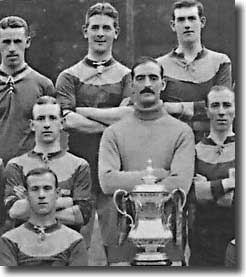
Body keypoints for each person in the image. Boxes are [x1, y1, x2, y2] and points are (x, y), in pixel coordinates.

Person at [98, 56, 195, 265]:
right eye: (140, 79)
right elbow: (107, 181)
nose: (147, 84)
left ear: (163, 83)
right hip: (123, 234)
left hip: (167, 233)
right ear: (132, 85)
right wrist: (158, 175)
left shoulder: (182, 132)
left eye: (153, 78)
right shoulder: (113, 133)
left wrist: (131, 182)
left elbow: (180, 184)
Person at [56, 2, 131, 254]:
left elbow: (128, 117)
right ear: (85, 31)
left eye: (106, 28)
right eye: (95, 27)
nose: (100, 33)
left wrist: (83, 111)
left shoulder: (127, 76)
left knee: (117, 245)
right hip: (79, 166)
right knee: (77, 245)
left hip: (114, 165)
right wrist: (109, 120)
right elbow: (67, 121)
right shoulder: (68, 76)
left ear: (116, 32)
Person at [4, 96, 92, 235]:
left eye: (52, 118)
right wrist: (68, 201)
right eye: (40, 118)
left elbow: (82, 215)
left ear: (62, 123)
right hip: (25, 248)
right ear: (32, 125)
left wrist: (30, 202)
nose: (46, 124)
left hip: (66, 248)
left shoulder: (79, 165)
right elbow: (14, 211)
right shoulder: (16, 165)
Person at [156, 0, 232, 142]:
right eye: (181, 19)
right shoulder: (158, 66)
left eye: (191, 18)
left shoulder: (220, 62)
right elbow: (154, 110)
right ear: (173, 25)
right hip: (170, 142)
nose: (187, 25)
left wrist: (176, 107)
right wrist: (200, 107)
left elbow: (222, 109)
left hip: (211, 144)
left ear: (202, 22)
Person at [0, 167, 88, 266]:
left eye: (47, 188)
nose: (41, 195)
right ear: (26, 195)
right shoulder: (10, 240)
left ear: (57, 193)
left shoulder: (74, 240)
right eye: (35, 189)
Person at [188, 86, 235, 266]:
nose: (221, 112)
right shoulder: (194, 151)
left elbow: (233, 200)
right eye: (215, 106)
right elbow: (193, 193)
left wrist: (209, 188)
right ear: (207, 111)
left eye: (227, 105)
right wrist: (229, 183)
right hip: (203, 238)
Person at [0, 16, 55, 165]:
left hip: (31, 171)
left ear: (27, 42)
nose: (12, 48)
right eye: (6, 42)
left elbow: (55, 133)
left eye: (17, 41)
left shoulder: (43, 85)